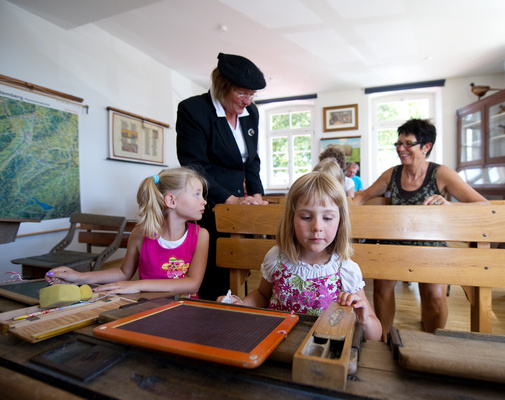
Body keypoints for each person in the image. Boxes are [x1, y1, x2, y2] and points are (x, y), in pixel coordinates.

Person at [353, 119, 489, 338]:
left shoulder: (441, 174)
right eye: (398, 144)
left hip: (430, 244)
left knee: (434, 296)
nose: (400, 149)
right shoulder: (392, 174)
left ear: (426, 147)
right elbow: (362, 196)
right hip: (393, 243)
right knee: (382, 285)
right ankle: (383, 338)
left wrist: (450, 205)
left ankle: (432, 340)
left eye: (407, 143)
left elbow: (484, 205)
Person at [217, 172, 382, 341]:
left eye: (327, 217)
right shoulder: (277, 258)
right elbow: (262, 295)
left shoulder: (345, 269)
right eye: (306, 217)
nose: (317, 226)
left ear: (340, 221)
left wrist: (363, 321)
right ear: (291, 219)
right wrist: (241, 306)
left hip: (319, 354)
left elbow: (376, 334)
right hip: (273, 344)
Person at [176, 53, 268, 300]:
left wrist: (256, 196)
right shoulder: (193, 110)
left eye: (252, 95)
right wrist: (230, 200)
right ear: (221, 86)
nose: (248, 101)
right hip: (210, 203)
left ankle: (235, 312)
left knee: (239, 269)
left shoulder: (252, 114)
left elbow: (252, 159)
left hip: (241, 207)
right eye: (241, 93)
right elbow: (195, 166)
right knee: (214, 273)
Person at [45, 167, 210, 297]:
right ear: (171, 201)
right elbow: (124, 273)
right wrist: (79, 277)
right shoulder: (140, 234)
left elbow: (192, 284)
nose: (204, 201)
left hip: (183, 311)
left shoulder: (200, 236)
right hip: (145, 309)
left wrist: (137, 285)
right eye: (197, 194)